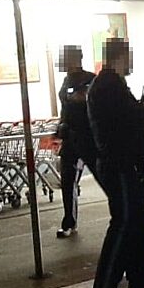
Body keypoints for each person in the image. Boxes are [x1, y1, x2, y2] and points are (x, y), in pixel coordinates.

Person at [87, 39, 144, 288]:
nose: (130, 62)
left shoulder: (108, 84)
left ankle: (139, 283)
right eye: (128, 57)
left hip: (123, 161)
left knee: (135, 224)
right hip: (120, 163)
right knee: (124, 223)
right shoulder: (110, 86)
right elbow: (125, 120)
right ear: (119, 57)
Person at [54, 46, 96, 239]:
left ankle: (121, 214)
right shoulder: (66, 81)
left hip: (88, 137)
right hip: (71, 137)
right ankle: (69, 221)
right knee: (68, 179)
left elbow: (87, 99)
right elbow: (66, 106)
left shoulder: (90, 79)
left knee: (104, 176)